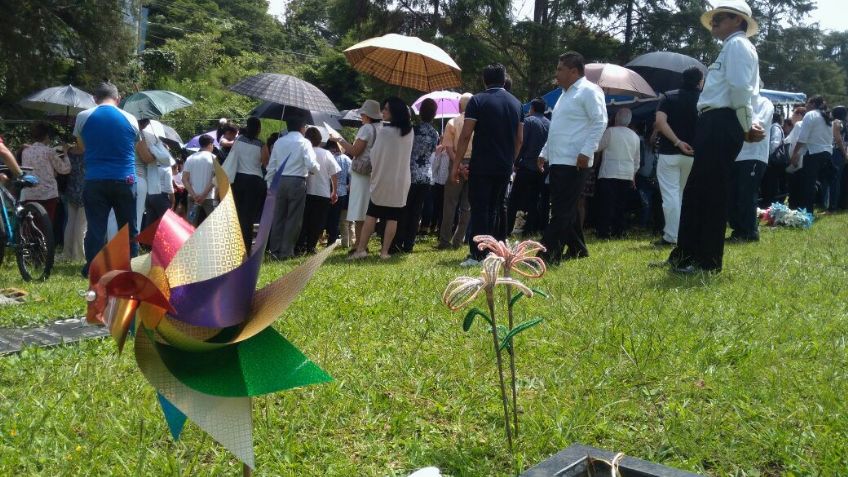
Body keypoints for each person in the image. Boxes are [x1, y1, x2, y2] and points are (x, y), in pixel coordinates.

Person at [667, 0, 763, 274]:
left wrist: (747, 125)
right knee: (698, 191)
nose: (714, 22)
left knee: (711, 193)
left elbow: (742, 91)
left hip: (722, 121)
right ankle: (685, 255)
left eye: (721, 17)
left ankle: (706, 261)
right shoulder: (731, 47)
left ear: (737, 20)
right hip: (713, 122)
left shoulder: (738, 46)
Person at [537, 52, 608, 264]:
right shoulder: (564, 95)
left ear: (574, 71)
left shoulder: (588, 91)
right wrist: (544, 152)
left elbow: (600, 121)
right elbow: (558, 129)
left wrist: (587, 151)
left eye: (560, 69)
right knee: (566, 208)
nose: (556, 74)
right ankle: (578, 249)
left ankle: (547, 254)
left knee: (561, 209)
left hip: (575, 160)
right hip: (560, 159)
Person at [452, 64, 524, 267]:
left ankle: (478, 254)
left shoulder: (477, 100)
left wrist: (456, 164)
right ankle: (497, 251)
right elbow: (519, 139)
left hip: (482, 163)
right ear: (503, 80)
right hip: (504, 164)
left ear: (484, 80)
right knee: (497, 207)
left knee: (481, 209)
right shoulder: (517, 104)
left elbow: (466, 134)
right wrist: (511, 160)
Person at [73, 82, 145, 276]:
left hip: (95, 179)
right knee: (128, 226)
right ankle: (129, 267)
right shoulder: (130, 118)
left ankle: (93, 268)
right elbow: (134, 143)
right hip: (125, 178)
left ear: (94, 99)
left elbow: (82, 146)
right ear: (118, 99)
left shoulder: (83, 116)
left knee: (96, 227)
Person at [350, 97, 414, 260]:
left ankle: (361, 249)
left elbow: (375, 154)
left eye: (386, 109)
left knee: (372, 213)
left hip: (383, 179)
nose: (383, 112)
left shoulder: (385, 131)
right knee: (393, 217)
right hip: (401, 179)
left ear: (393, 112)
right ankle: (384, 252)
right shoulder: (409, 131)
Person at [653, 66, 703, 246]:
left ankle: (671, 235)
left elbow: (659, 122)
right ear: (700, 81)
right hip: (694, 154)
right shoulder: (704, 100)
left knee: (671, 196)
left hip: (670, 152)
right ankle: (682, 233)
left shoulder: (668, 96)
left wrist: (677, 142)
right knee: (681, 195)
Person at [266, 116, 319, 260]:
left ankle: (274, 251)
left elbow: (272, 165)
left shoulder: (279, 142)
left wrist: (269, 184)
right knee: (293, 218)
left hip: (279, 181)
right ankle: (286, 251)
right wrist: (316, 169)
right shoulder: (304, 142)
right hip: (297, 181)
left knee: (278, 217)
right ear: (302, 127)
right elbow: (311, 163)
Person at [334, 100, 382, 253]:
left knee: (360, 211)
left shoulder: (366, 129)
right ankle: (362, 244)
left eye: (363, 113)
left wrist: (339, 140)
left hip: (361, 173)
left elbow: (355, 151)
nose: (361, 116)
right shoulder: (382, 128)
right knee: (369, 209)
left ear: (367, 115)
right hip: (374, 171)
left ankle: (359, 245)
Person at [395, 98, 439, 253]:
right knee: (416, 211)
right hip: (426, 175)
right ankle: (409, 244)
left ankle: (398, 241)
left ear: (420, 113)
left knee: (404, 209)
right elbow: (432, 152)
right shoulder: (435, 133)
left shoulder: (413, 130)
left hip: (410, 173)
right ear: (434, 114)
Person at [728, 94, 774, 241]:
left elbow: (759, 122)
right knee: (733, 195)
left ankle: (749, 232)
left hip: (753, 154)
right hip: (735, 155)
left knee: (746, 195)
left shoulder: (764, 102)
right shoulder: (737, 101)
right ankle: (738, 230)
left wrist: (746, 126)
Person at [594, 108, 641, 238]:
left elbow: (598, 146)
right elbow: (637, 160)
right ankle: (618, 230)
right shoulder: (635, 136)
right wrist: (633, 174)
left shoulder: (610, 132)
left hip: (609, 172)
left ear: (616, 118)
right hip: (626, 174)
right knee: (621, 204)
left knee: (606, 203)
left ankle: (603, 231)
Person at [436, 93, 473, 250]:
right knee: (467, 206)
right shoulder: (478, 123)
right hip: (473, 165)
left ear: (460, 106)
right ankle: (458, 240)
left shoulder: (452, 122)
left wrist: (458, 166)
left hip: (456, 163)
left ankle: (444, 240)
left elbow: (449, 148)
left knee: (450, 203)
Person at [508, 97, 550, 236]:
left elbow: (522, 143)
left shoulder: (529, 121)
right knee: (536, 199)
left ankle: (507, 228)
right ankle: (531, 229)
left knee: (514, 200)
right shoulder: (550, 124)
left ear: (532, 108)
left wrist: (515, 161)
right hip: (543, 167)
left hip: (527, 166)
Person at [225, 117, 269, 250]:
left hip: (239, 180)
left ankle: (234, 244)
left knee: (237, 213)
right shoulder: (261, 144)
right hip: (255, 181)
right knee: (249, 216)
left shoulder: (238, 141)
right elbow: (266, 163)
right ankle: (246, 245)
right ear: (259, 129)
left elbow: (232, 157)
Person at [296, 127, 340, 255]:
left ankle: (299, 246)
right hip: (322, 192)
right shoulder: (326, 153)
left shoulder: (304, 151)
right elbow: (334, 173)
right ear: (320, 139)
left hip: (306, 191)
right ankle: (311, 246)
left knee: (304, 221)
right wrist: (334, 191)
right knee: (318, 222)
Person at [790, 96, 833, 214]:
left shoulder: (810, 115)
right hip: (827, 153)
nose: (805, 105)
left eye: (807, 102)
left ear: (813, 104)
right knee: (821, 183)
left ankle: (807, 211)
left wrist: (795, 154)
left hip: (814, 153)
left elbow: (802, 138)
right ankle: (825, 205)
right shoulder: (827, 117)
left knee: (808, 184)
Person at [19, 122, 70, 220]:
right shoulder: (49, 151)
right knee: (47, 225)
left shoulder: (25, 151)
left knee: (31, 223)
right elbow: (65, 169)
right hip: (48, 193)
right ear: (46, 136)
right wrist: (65, 153)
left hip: (30, 192)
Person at [59, 144, 86, 262]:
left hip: (71, 190)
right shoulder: (90, 151)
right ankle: (79, 255)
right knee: (81, 226)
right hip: (84, 191)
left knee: (70, 223)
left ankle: (67, 253)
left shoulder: (69, 151)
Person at [183, 134, 217, 226]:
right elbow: (215, 179)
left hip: (192, 197)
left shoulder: (190, 158)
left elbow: (184, 179)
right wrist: (204, 195)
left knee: (190, 224)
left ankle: (190, 241)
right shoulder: (214, 158)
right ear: (210, 144)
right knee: (213, 225)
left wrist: (194, 195)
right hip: (209, 197)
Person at [325, 140, 352, 247]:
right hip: (344, 194)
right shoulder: (346, 159)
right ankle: (346, 242)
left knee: (332, 220)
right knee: (345, 221)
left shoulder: (330, 158)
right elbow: (352, 176)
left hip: (332, 192)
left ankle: (331, 242)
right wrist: (348, 187)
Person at [759, 112, 787, 208]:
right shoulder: (776, 127)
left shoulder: (775, 127)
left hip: (773, 161)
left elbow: (774, 143)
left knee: (770, 183)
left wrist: (767, 155)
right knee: (770, 183)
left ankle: (769, 205)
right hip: (773, 161)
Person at [832, 106, 848, 210]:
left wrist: (843, 153)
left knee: (834, 179)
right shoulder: (845, 124)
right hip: (843, 152)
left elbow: (837, 140)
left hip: (837, 152)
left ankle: (833, 205)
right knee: (841, 180)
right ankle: (841, 204)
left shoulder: (836, 123)